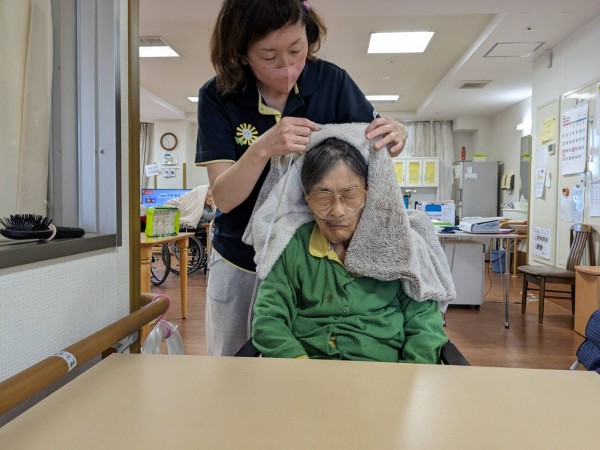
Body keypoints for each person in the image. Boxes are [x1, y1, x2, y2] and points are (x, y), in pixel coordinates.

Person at [195, 0, 409, 356]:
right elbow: (225, 198)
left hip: (311, 263)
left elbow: (374, 147)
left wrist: (396, 132)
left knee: (305, 358)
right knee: (233, 364)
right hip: (239, 259)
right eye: (269, 56)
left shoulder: (331, 81)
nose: (288, 68)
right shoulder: (218, 96)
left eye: (296, 50)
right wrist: (262, 148)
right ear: (241, 54)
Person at [252, 138, 448, 363]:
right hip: (307, 369)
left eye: (350, 194)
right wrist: (301, 368)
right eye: (323, 196)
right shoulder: (293, 245)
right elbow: (268, 319)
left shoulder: (397, 242)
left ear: (367, 193)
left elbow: (425, 326)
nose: (337, 211)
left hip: (382, 373)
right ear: (307, 200)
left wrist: (407, 375)